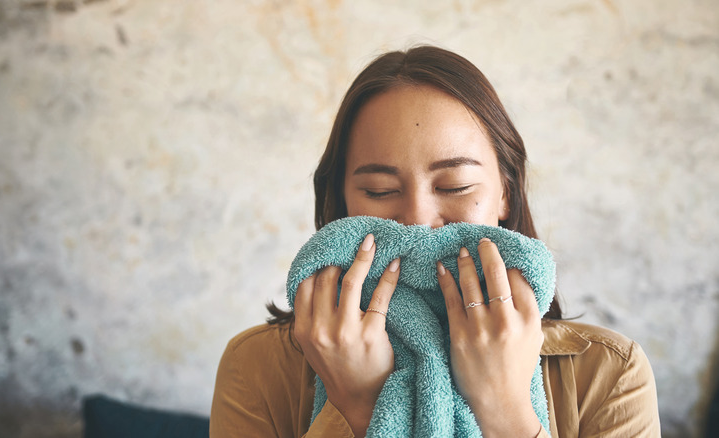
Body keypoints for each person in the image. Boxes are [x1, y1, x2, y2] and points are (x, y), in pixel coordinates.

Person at [210, 45, 660, 437]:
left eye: (455, 186)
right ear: (341, 202)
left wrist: (504, 410)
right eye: (380, 192)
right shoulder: (257, 365)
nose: (418, 221)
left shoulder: (611, 371)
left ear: (505, 192)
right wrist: (356, 407)